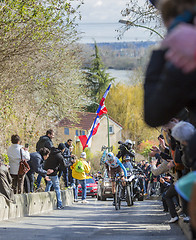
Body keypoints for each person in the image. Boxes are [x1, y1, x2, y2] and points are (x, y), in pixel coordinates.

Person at [44, 143, 68, 209]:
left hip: (46, 172)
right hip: (53, 173)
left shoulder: (50, 152)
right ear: (63, 149)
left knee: (48, 185)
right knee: (57, 189)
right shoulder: (59, 156)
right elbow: (64, 166)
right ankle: (59, 204)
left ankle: (45, 201)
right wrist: (71, 163)